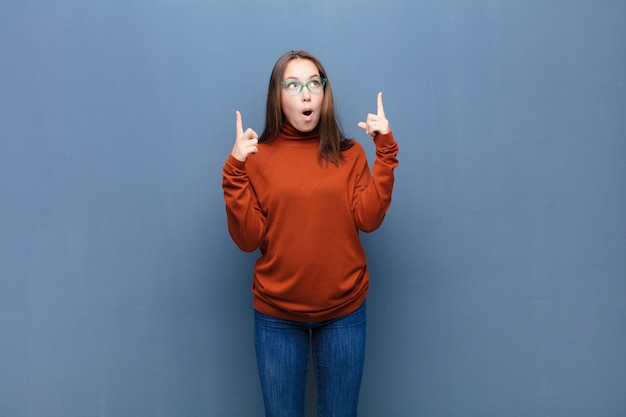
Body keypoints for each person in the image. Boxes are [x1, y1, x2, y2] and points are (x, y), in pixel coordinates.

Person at [222, 50, 399, 417]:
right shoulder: (257, 158)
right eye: (293, 85)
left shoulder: (349, 155)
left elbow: (368, 219)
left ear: (323, 93)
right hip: (277, 315)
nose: (305, 94)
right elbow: (247, 240)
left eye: (313, 84)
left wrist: (385, 151)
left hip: (344, 312)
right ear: (278, 96)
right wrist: (234, 172)